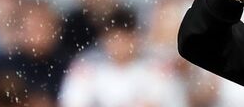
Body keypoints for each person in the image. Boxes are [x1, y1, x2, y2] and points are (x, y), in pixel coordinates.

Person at [59, 6, 188, 107]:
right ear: (104, 39)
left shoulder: (159, 70)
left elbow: (177, 103)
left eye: (125, 39)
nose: (119, 45)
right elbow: (71, 102)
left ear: (137, 38)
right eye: (114, 39)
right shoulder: (86, 70)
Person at [0, 0, 69, 107]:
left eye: (44, 25)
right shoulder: (1, 67)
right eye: (34, 27)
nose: (39, 33)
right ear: (21, 29)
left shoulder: (69, 67)